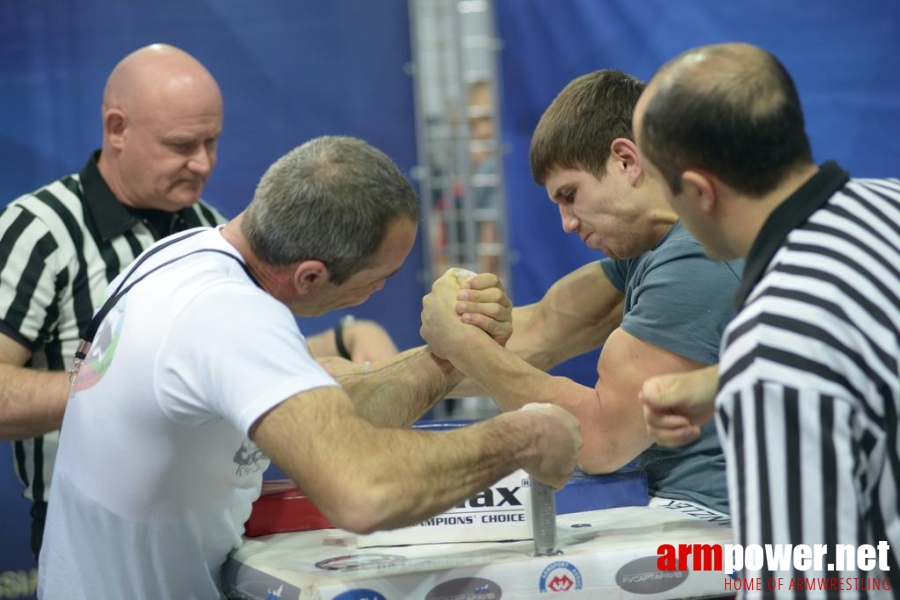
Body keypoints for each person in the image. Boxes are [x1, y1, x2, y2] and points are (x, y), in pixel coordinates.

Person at [37, 136, 581, 599]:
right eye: (379, 276)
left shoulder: (183, 257)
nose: (382, 290)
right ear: (310, 277)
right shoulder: (230, 317)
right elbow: (363, 489)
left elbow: (337, 420)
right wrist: (522, 436)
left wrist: (450, 355)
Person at [0, 43, 400, 557]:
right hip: (91, 529)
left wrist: (341, 336)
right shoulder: (40, 232)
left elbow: (243, 359)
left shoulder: (210, 224)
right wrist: (120, 387)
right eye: (181, 144)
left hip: (218, 520)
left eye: (212, 141)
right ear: (117, 128)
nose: (202, 162)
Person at [421, 69, 742, 519]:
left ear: (627, 161)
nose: (567, 223)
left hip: (718, 525)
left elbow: (598, 441)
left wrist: (462, 343)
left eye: (570, 195)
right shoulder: (651, 248)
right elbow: (541, 329)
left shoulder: (697, 260)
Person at [636, 42, 898, 588]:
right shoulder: (889, 205)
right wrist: (724, 377)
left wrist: (752, 375)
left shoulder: (773, 353)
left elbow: (815, 581)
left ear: (700, 192)